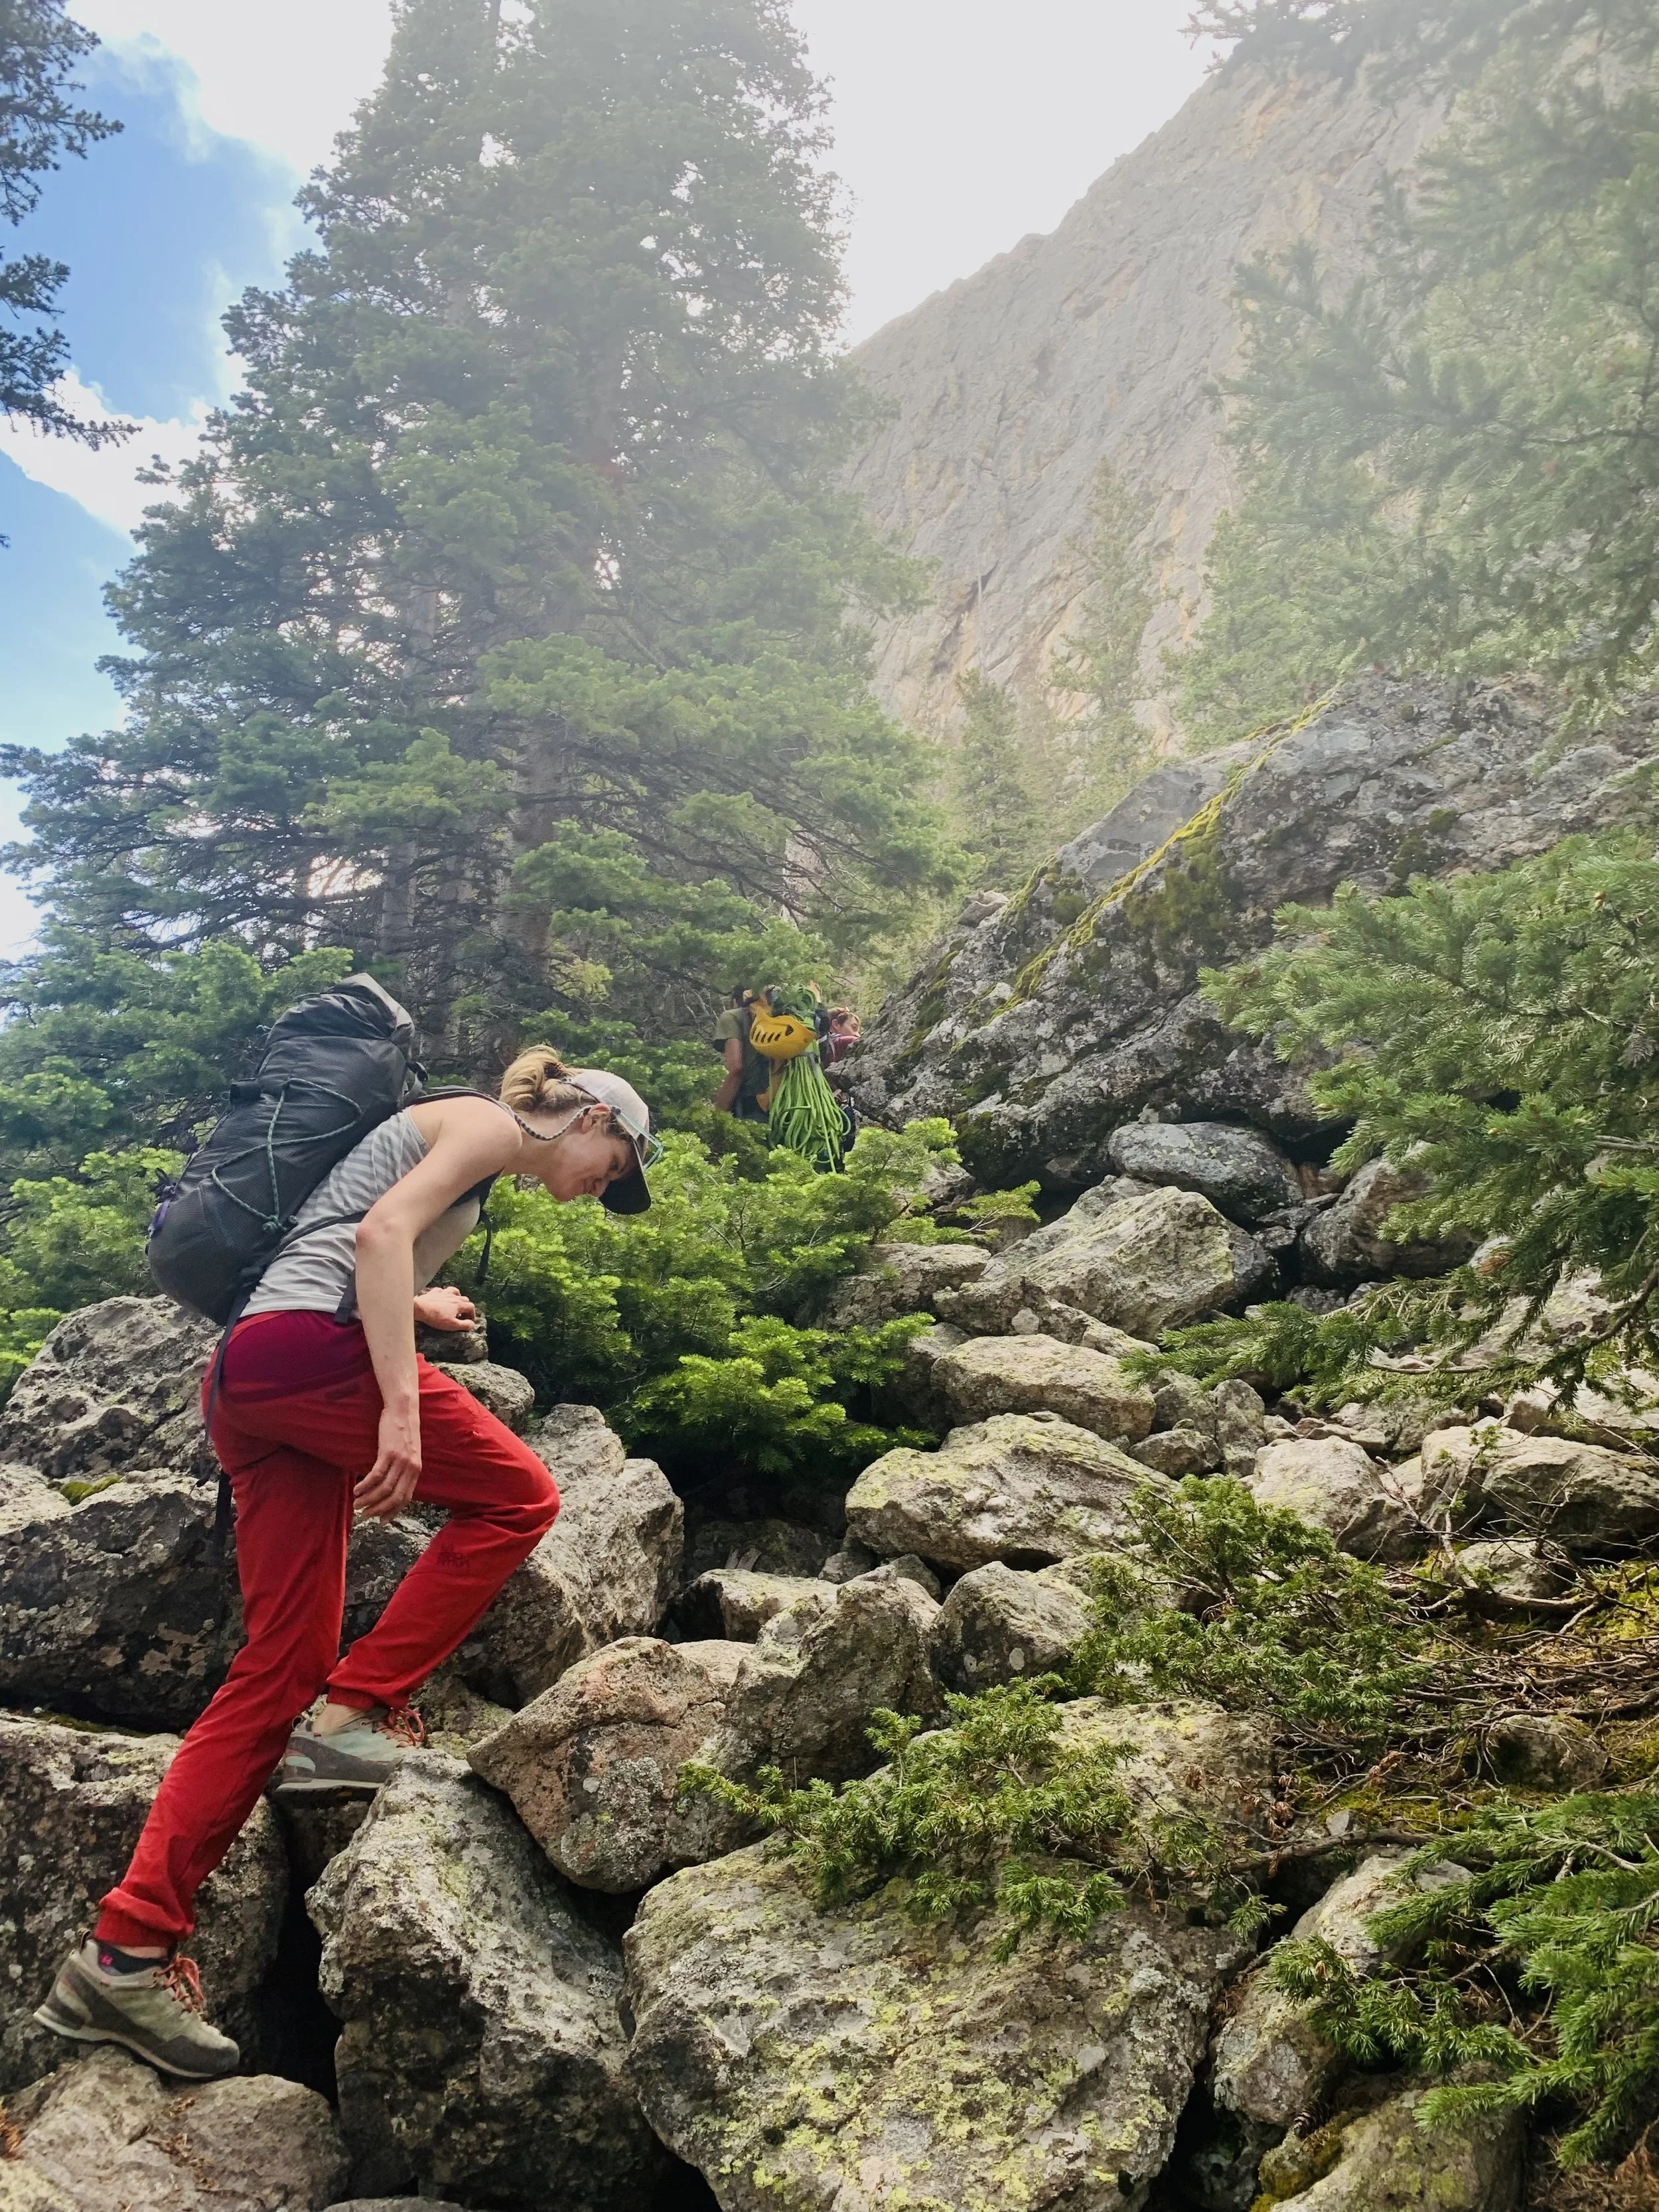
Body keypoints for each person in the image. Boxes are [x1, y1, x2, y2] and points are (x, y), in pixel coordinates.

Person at [34, 1049, 658, 2081]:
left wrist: (417, 1307)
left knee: (277, 1669)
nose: (605, 1187)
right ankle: (357, 1710)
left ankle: (123, 1953)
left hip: (249, 1374)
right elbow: (376, 1235)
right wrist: (401, 1408)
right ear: (591, 1116)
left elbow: (348, 1243)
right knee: (521, 1496)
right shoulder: (487, 1124)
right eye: (616, 1166)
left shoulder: (470, 1160)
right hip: (307, 1353)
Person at [711, 987, 772, 1121]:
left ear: (735, 1001)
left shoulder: (732, 1017)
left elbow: (736, 1070)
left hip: (753, 1108)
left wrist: (717, 1115)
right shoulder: (782, 1017)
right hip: (793, 1102)